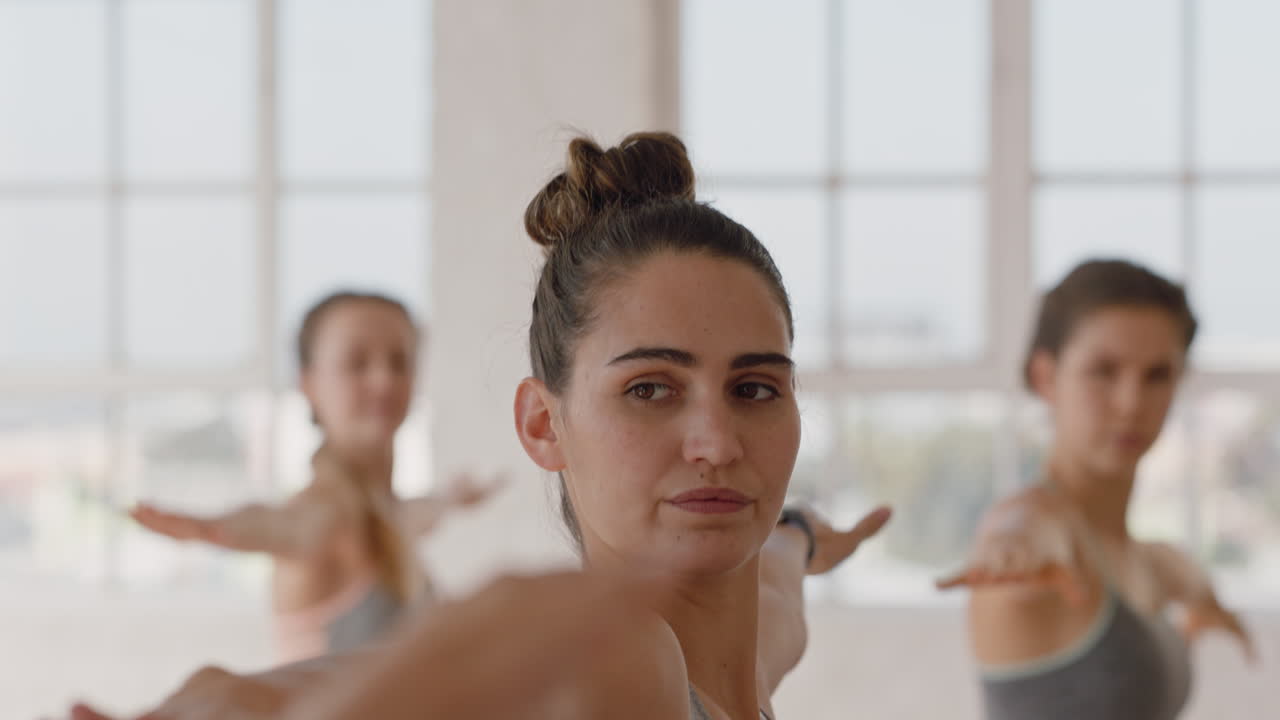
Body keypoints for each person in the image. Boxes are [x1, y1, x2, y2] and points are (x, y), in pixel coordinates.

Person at [69, 131, 891, 720]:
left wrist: (803, 536)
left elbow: (779, 578)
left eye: (754, 389)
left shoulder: (758, 654)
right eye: (650, 389)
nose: (717, 442)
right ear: (543, 424)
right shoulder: (628, 659)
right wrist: (221, 701)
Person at [937, 260, 1256, 719]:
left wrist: (1213, 606)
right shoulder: (1036, 536)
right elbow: (1021, 528)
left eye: (1157, 375)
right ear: (1046, 377)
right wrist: (1009, 548)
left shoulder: (1148, 558)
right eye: (1104, 371)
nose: (1131, 403)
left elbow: (1184, 574)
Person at [130, 291, 504, 661]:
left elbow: (414, 513)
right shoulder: (324, 515)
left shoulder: (384, 513)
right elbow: (281, 525)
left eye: (399, 361)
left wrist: (452, 498)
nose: (383, 380)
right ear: (308, 384)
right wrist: (211, 528)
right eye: (357, 363)